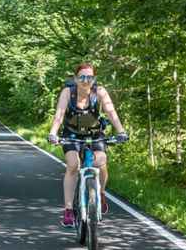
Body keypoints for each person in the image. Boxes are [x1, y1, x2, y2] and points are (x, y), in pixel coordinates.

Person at [47, 63, 128, 227]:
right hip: (71, 135)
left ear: (94, 79)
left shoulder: (100, 92)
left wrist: (121, 131)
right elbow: (59, 115)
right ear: (76, 78)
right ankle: (69, 210)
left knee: (101, 161)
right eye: (82, 77)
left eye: (89, 77)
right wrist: (53, 133)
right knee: (73, 165)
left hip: (95, 134)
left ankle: (101, 192)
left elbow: (112, 113)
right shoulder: (68, 92)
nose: (86, 80)